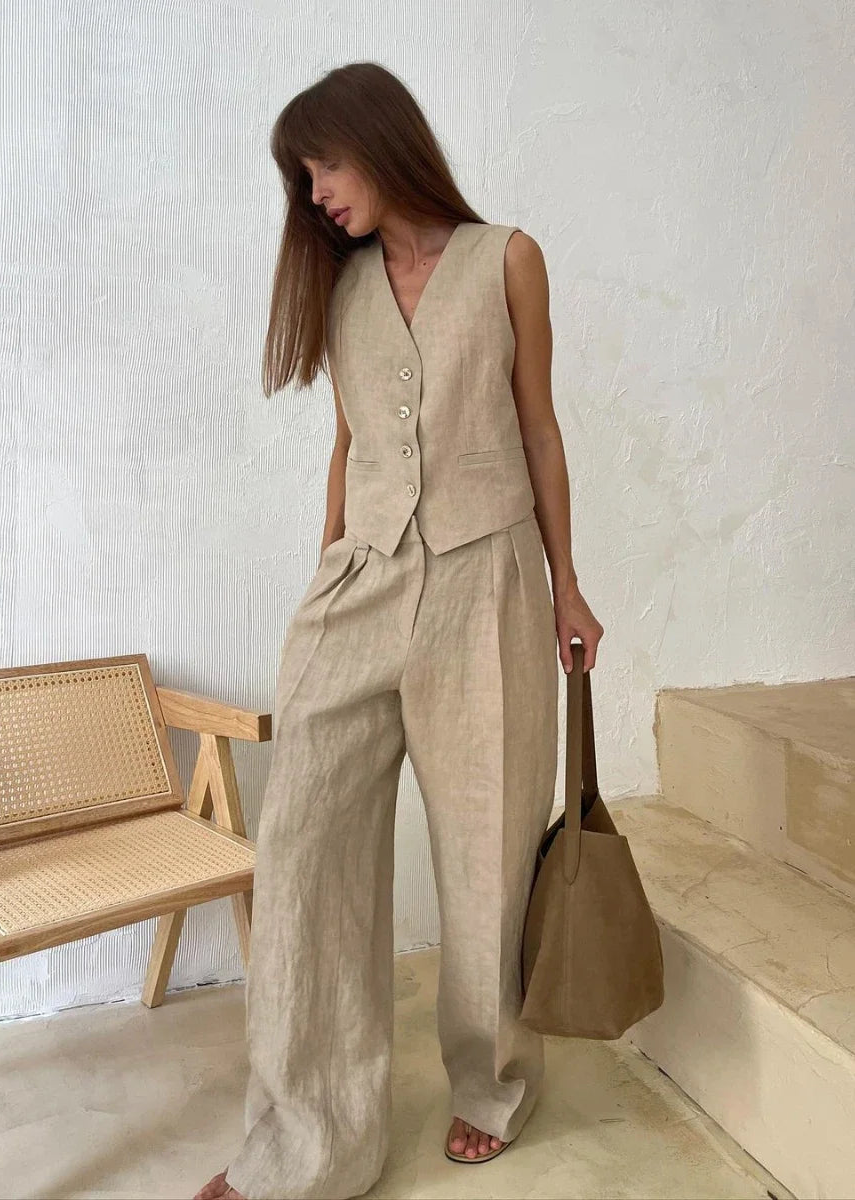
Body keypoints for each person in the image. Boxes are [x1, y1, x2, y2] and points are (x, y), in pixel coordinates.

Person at [194, 60, 604, 1200]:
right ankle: (305, 1141)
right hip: (362, 584)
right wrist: (326, 566)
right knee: (305, 847)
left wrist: (568, 587)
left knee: (485, 855)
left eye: (324, 163)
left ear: (380, 139)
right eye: (304, 177)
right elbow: (348, 440)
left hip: (489, 582)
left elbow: (541, 430)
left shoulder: (508, 259)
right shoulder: (341, 287)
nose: (316, 192)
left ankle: (491, 1085)